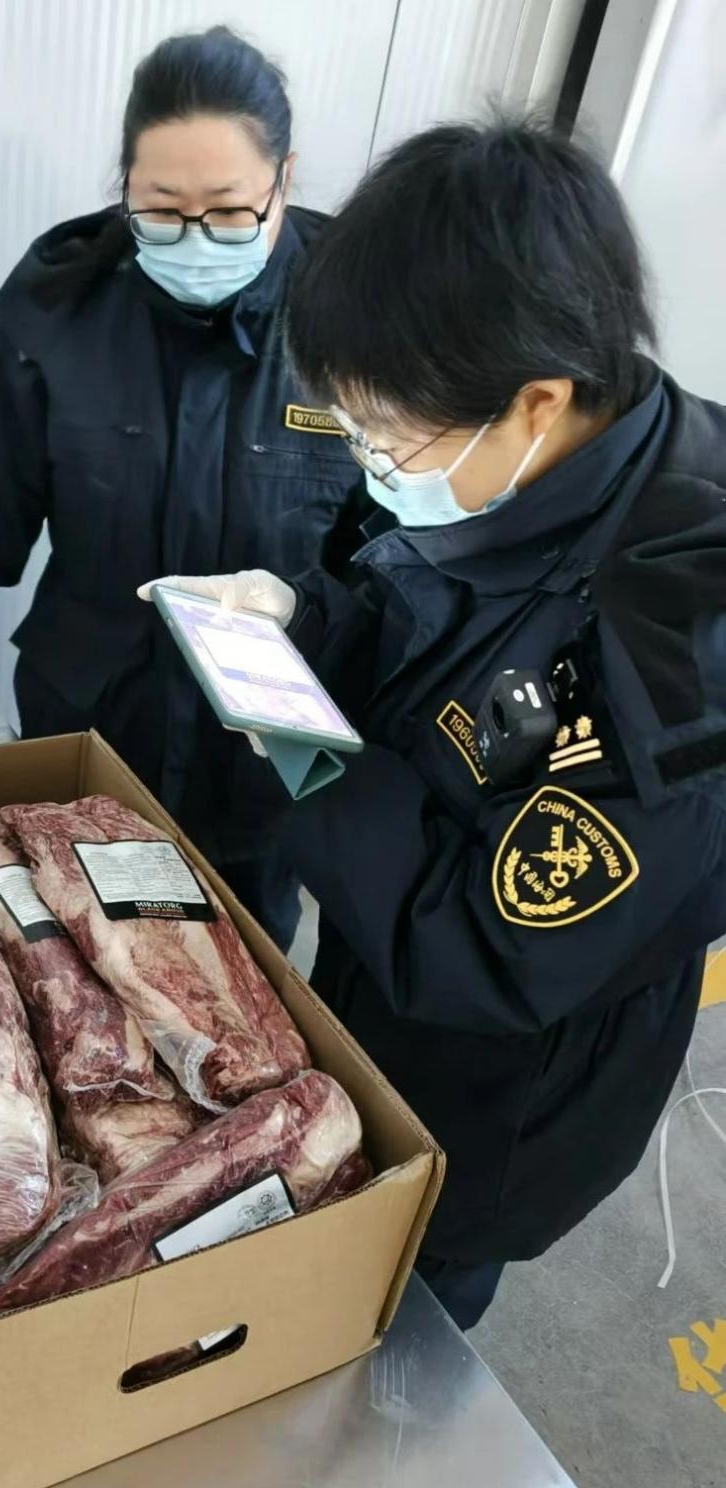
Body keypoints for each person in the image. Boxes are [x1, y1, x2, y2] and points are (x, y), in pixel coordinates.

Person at [145, 118, 726, 1327]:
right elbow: (410, 600)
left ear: (537, 402)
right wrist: (299, 618)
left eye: (383, 434)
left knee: (410, 1291)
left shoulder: (678, 658)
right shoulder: (512, 459)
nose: (369, 460)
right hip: (383, 955)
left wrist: (302, 745)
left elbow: (486, 950)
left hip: (504, 1081)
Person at [0, 26, 366, 949]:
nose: (194, 239)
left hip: (262, 759)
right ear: (124, 186)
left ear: (284, 182)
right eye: (161, 211)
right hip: (92, 723)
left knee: (238, 976)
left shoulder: (357, 321)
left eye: (228, 213)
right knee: (76, 960)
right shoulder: (64, 312)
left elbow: (397, 556)